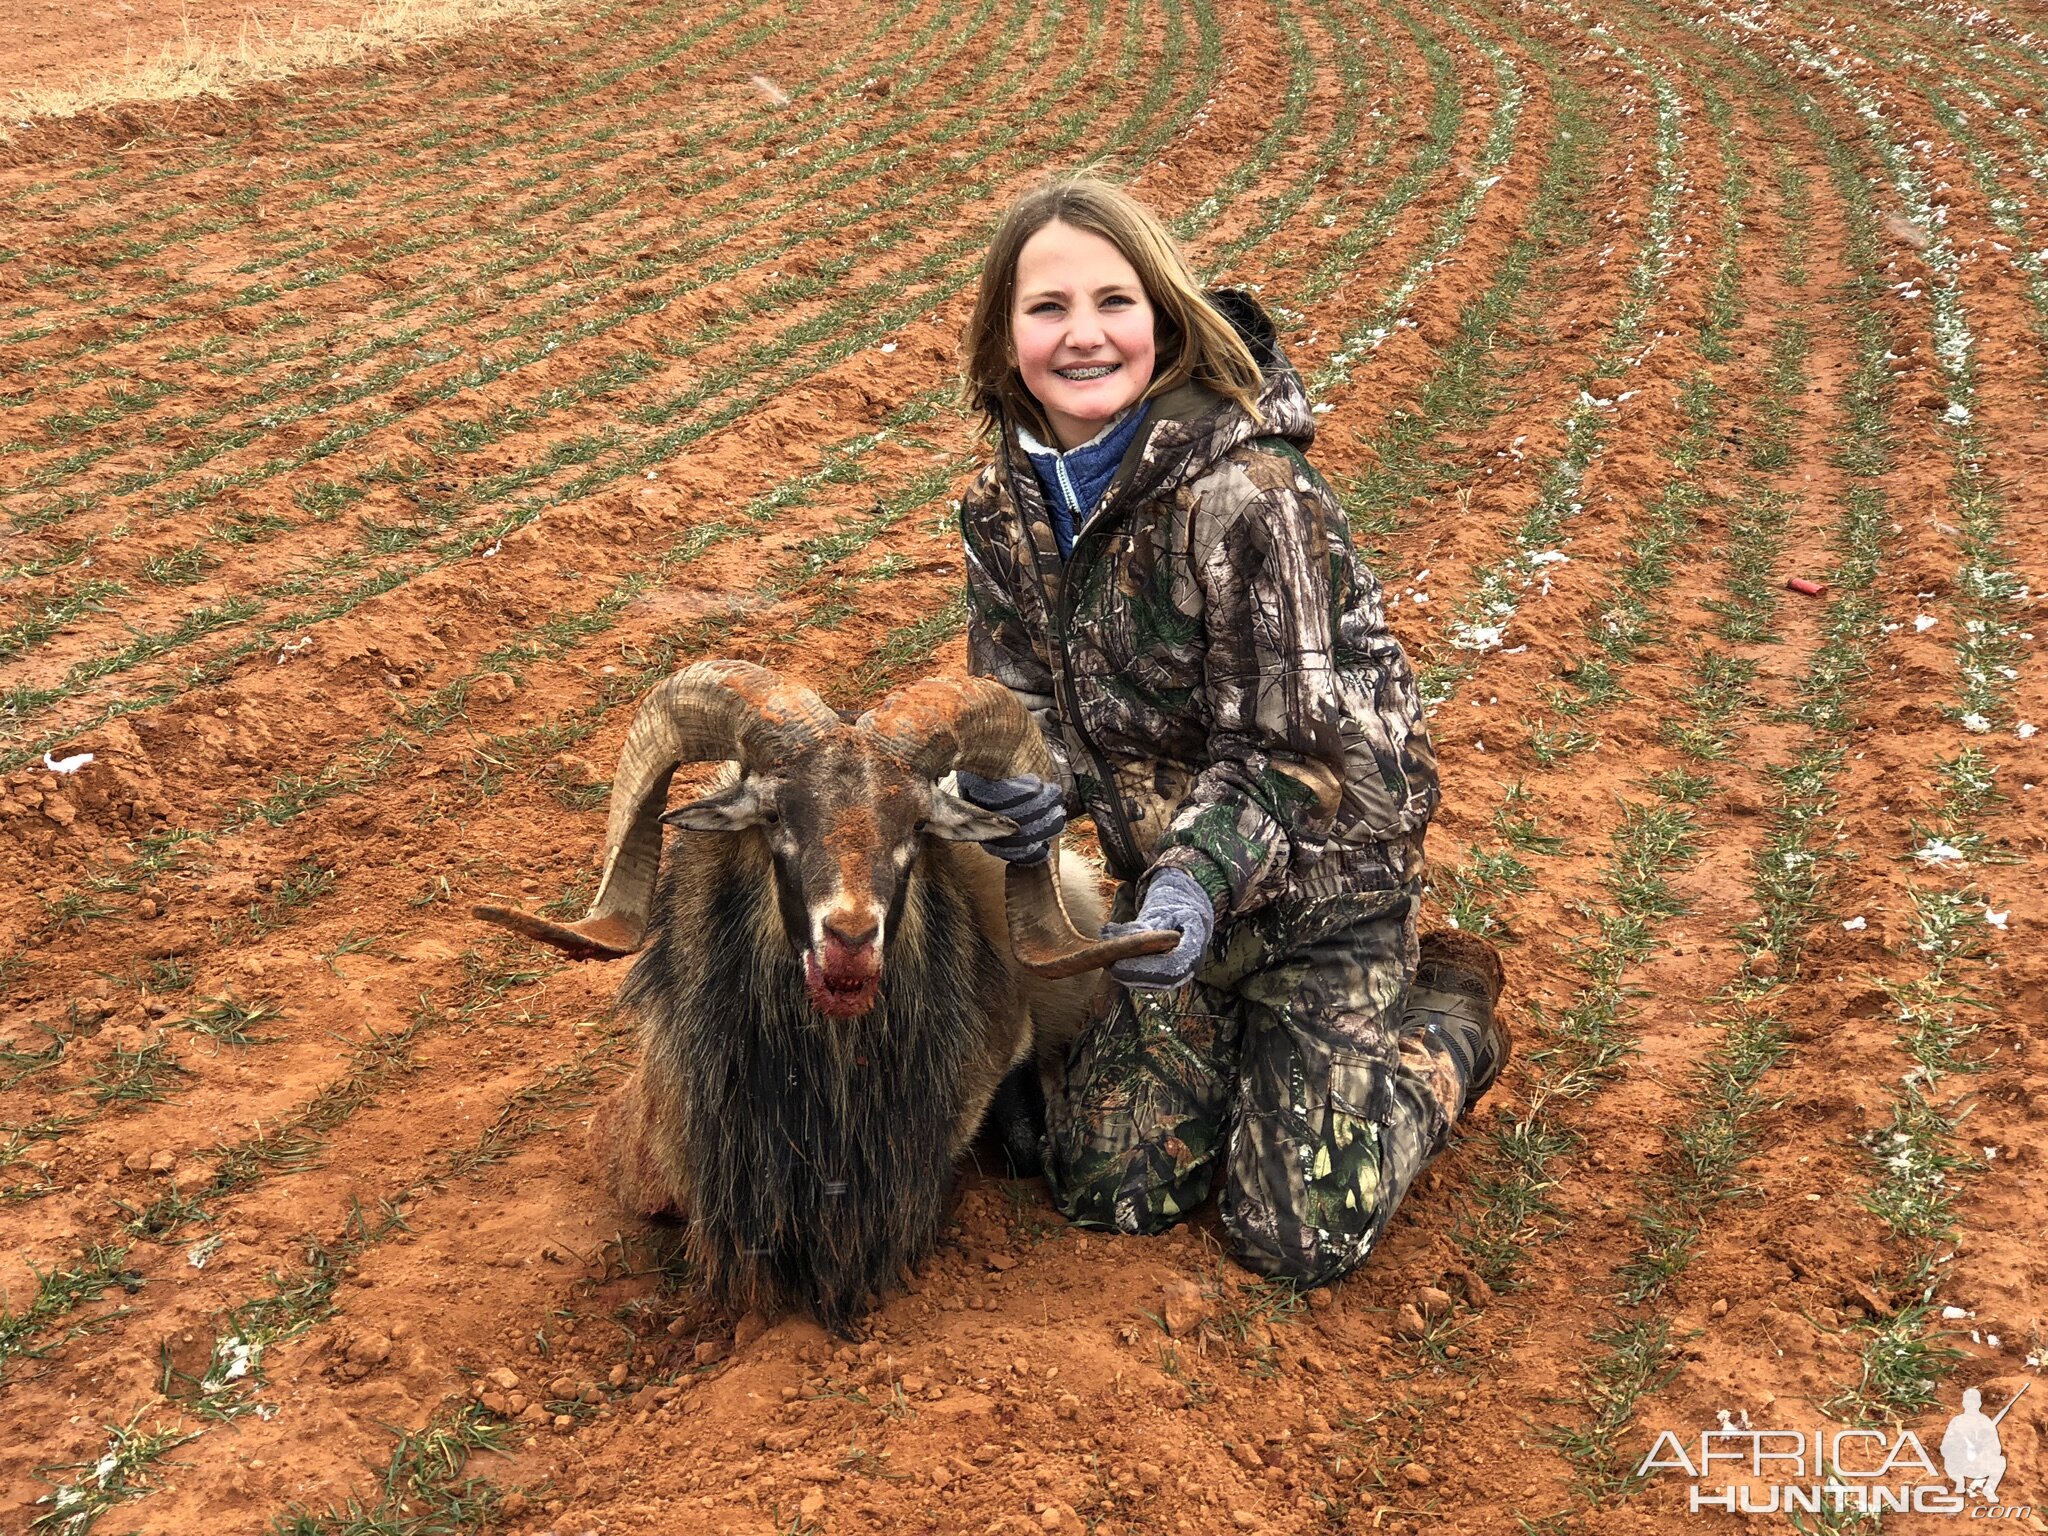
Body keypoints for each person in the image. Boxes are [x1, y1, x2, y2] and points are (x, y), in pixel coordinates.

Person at [950, 175, 1511, 1287]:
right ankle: (1239, 1039)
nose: (1082, 335)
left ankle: (1445, 1019)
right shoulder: (999, 511)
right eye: (1046, 307)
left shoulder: (1250, 492)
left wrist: (1194, 884)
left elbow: (1294, 752)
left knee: (1294, 1233)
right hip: (1166, 902)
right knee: (1105, 1190)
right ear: (1002, 336)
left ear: (1160, 317)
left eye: (1112, 301)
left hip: (1318, 888)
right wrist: (1014, 794)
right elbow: (1017, 710)